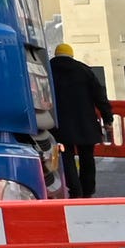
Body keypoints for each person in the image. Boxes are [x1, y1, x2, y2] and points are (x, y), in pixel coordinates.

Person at [49, 44, 111, 197]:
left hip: (59, 124)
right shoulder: (84, 71)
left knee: (66, 157)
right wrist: (107, 118)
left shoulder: (48, 69)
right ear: (71, 55)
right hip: (85, 123)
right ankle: (88, 189)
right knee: (87, 157)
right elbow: (99, 96)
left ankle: (75, 189)